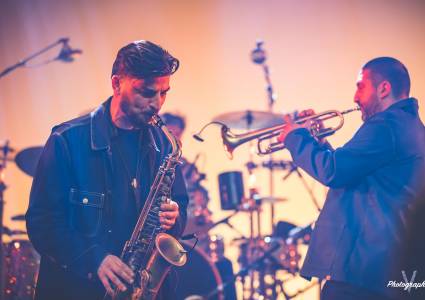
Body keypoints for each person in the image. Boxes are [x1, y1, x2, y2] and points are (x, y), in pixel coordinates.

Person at [25, 40, 189, 300]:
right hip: (77, 290)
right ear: (116, 84)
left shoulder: (165, 146)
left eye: (163, 93)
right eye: (146, 92)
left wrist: (174, 217)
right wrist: (94, 258)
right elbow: (42, 223)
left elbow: (180, 208)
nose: (157, 103)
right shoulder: (67, 141)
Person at [278, 57, 425, 299]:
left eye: (360, 86)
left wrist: (296, 138)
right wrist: (318, 141)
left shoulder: (386, 125)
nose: (355, 97)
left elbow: (333, 171)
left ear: (384, 88)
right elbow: (353, 170)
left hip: (363, 272)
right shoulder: (412, 127)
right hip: (393, 272)